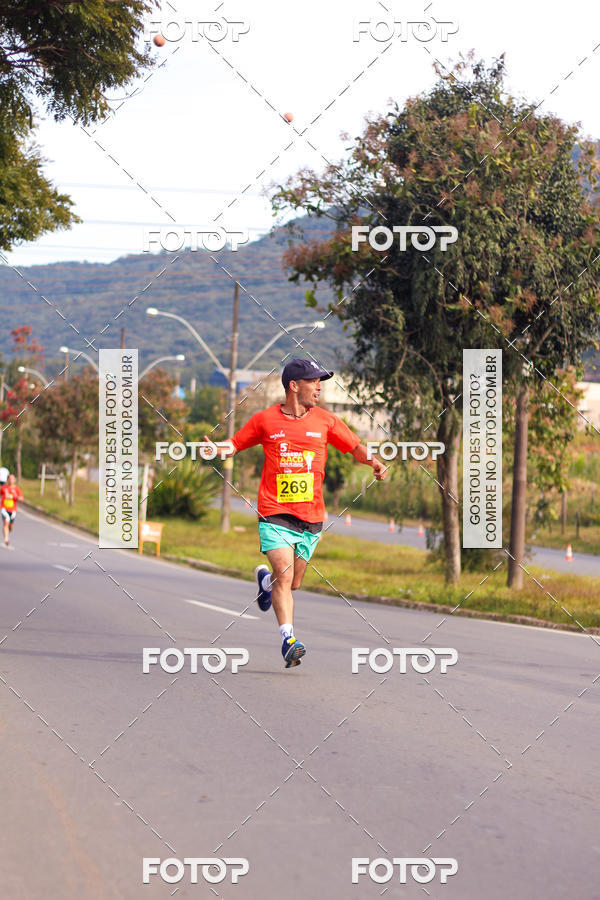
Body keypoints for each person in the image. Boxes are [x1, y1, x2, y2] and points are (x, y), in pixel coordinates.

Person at [203, 358, 387, 669]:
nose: (319, 387)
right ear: (294, 385)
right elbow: (234, 445)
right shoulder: (265, 421)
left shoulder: (326, 421)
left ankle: (265, 584)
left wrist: (374, 462)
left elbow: (355, 446)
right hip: (274, 511)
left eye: (320, 382)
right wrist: (215, 450)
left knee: (292, 582)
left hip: (311, 517)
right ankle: (288, 639)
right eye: (314, 381)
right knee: (285, 576)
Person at [1, 473, 24, 548]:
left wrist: (16, 497)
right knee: (6, 523)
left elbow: (21, 499)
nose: (11, 480)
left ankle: (6, 533)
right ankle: (6, 539)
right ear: (7, 480)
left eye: (12, 479)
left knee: (10, 526)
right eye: (9, 479)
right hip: (4, 508)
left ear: (14, 480)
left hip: (13, 509)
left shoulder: (17, 489)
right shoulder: (4, 488)